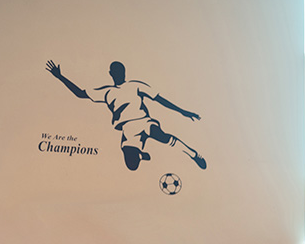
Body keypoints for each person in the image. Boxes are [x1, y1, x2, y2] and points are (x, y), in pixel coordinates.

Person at [46, 60, 206, 172]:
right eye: (115, 72)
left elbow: (159, 100)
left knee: (162, 136)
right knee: (132, 166)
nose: (118, 74)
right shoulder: (107, 92)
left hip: (144, 121)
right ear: (111, 73)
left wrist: (183, 111)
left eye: (120, 71)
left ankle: (193, 155)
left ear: (124, 72)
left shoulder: (135, 86)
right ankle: (140, 154)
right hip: (128, 129)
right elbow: (80, 94)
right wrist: (60, 77)